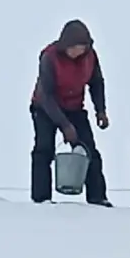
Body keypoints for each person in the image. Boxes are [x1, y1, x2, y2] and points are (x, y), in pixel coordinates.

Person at [30, 19, 111, 206]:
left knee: (89, 151)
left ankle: (98, 198)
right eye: (74, 47)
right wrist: (65, 126)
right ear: (65, 45)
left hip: (75, 108)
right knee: (44, 150)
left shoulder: (90, 57)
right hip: (45, 108)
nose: (78, 51)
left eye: (82, 47)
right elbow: (46, 96)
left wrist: (101, 110)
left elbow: (96, 82)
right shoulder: (49, 58)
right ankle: (41, 200)